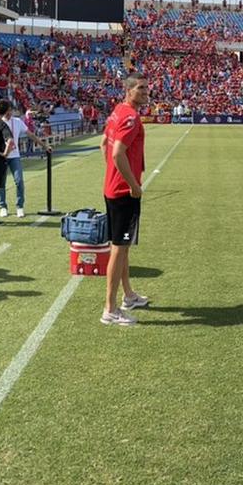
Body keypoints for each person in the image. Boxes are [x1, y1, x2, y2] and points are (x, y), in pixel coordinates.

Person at [101, 76, 152, 326]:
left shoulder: (117, 111)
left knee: (122, 248)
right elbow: (118, 152)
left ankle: (128, 295)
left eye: (146, 87)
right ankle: (110, 309)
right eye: (140, 88)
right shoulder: (130, 117)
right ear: (128, 90)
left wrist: (110, 170)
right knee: (118, 249)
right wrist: (132, 184)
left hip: (112, 188)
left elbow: (104, 144)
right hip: (123, 193)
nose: (145, 91)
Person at [0, 103, 29, 219]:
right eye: (7, 110)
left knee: (19, 180)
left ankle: (20, 207)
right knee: (1, 183)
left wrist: (44, 145)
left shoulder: (18, 121)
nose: (9, 112)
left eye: (11, 110)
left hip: (15, 156)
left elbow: (29, 133)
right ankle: (2, 207)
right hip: (2, 156)